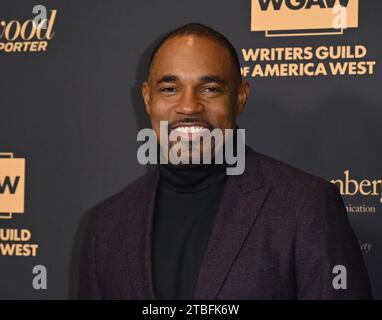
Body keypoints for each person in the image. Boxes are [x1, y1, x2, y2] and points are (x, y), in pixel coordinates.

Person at [79, 23, 372, 299]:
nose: (189, 106)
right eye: (170, 88)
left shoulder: (305, 206)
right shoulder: (105, 226)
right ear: (147, 99)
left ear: (240, 97)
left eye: (210, 89)